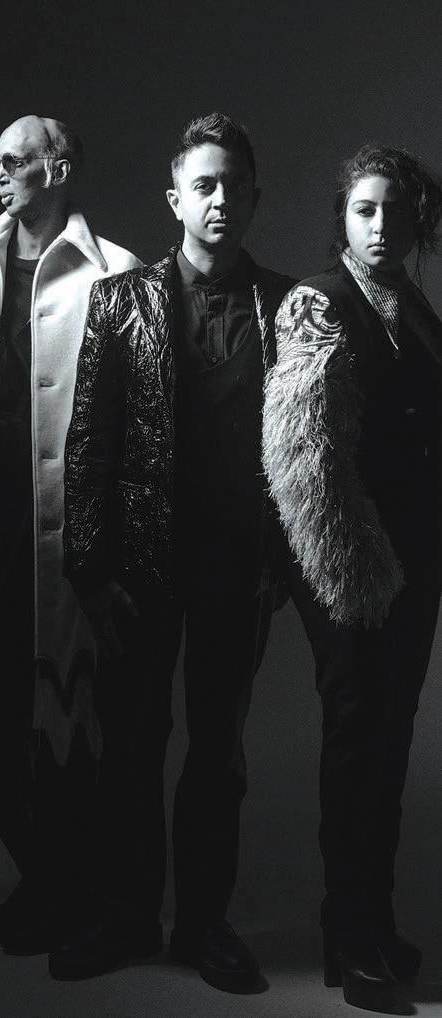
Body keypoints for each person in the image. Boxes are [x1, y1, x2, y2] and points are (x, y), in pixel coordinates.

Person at [57, 112, 294, 989]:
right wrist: (89, 571)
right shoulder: (121, 302)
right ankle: (127, 918)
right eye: (205, 185)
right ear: (175, 200)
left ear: (255, 197)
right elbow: (90, 442)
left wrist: (283, 561)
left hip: (238, 567)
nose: (220, 199)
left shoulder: (286, 306)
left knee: (217, 754)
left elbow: (303, 447)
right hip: (140, 567)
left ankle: (203, 924)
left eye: (234, 185)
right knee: (131, 745)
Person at [263, 143, 442, 1012]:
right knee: (356, 742)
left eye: (396, 212)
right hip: (349, 563)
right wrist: (357, 570)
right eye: (364, 209)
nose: (380, 226)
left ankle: (374, 923)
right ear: (341, 215)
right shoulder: (316, 304)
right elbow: (304, 464)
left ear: (417, 221)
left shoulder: (415, 306)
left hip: (415, 565)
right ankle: (350, 935)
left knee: (392, 741)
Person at [0, 115, 140, 954]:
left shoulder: (117, 274)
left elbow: (142, 430)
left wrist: (118, 554)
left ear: (59, 168)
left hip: (69, 546)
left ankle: (76, 894)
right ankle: (38, 881)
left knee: (71, 717)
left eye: (15, 160)